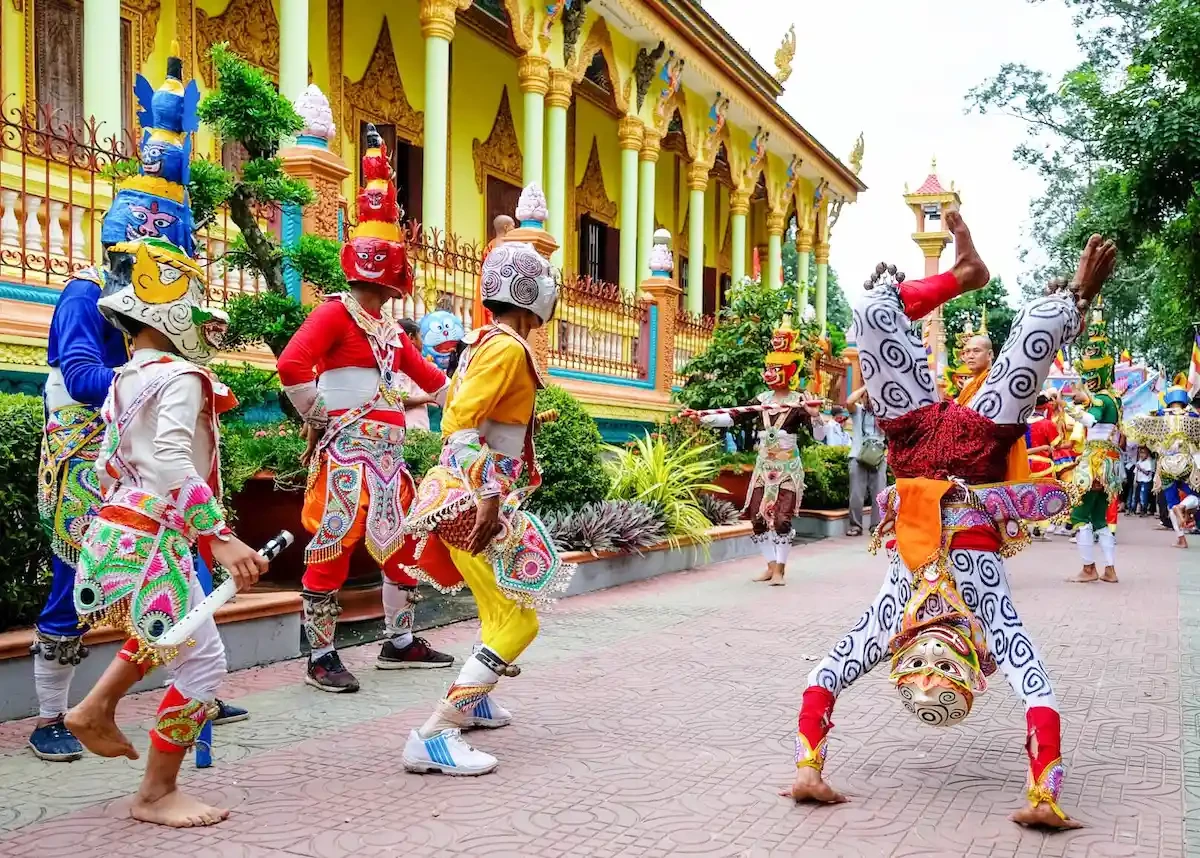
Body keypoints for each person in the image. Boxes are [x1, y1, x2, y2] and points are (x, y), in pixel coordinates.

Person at [786, 209, 1116, 831]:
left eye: (922, 661)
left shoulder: (892, 613)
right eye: (947, 664)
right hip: (981, 441)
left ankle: (965, 274)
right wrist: (1044, 795)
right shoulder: (990, 620)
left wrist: (809, 768)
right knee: (1044, 317)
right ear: (969, 657)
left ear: (904, 650)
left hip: (911, 439)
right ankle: (1066, 297)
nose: (934, 651)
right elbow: (1036, 683)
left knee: (873, 312)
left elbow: (825, 673)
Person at [402, 195, 576, 775]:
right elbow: (459, 425)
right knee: (520, 620)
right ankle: (437, 732)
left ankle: (472, 705)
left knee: (495, 611)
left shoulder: (486, 341)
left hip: (461, 494)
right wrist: (489, 497)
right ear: (534, 294)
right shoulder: (506, 347)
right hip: (472, 498)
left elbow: (484, 420)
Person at [278, 125, 455, 693]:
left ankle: (399, 642)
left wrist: (470, 396)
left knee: (402, 545)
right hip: (348, 457)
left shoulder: (387, 329)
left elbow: (430, 378)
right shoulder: (335, 315)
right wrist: (320, 416)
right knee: (332, 545)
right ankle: (321, 656)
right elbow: (290, 366)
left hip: (388, 460)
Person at [684, 308, 825, 585]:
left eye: (776, 369)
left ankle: (781, 570)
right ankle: (770, 565)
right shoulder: (761, 399)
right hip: (764, 466)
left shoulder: (800, 402)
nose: (770, 373)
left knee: (782, 520)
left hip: (787, 468)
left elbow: (819, 436)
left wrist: (815, 416)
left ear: (789, 371)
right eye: (769, 369)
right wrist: (702, 418)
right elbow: (734, 417)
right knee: (757, 518)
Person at [1064, 309, 1124, 584]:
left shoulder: (1100, 399)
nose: (1087, 380)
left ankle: (1089, 568)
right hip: (1110, 461)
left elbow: (1090, 419)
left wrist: (1067, 407)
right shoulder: (1115, 398)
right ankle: (1109, 569)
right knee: (1100, 517)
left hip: (1096, 461)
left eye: (1090, 374)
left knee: (1079, 513)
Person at [1124, 384, 1200, 545]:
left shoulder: (1158, 416)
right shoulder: (1192, 416)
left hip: (1165, 465)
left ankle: (1181, 539)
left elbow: (1138, 430)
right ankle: (1184, 506)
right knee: (1196, 495)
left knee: (1171, 502)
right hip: (1185, 463)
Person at [846, 386, 887, 537]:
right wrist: (868, 385)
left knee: (879, 494)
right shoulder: (857, 411)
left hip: (879, 458)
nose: (872, 398)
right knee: (856, 494)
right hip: (857, 455)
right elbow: (849, 400)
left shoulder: (884, 414)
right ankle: (855, 525)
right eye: (869, 395)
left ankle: (876, 526)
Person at [472, 214, 515, 328]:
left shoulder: (490, 245)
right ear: (506, 227)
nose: (514, 230)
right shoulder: (505, 246)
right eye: (513, 226)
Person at [397, 318, 436, 432]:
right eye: (421, 337)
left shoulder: (419, 363)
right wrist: (429, 398)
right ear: (411, 338)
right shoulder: (401, 365)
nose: (423, 342)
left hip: (418, 429)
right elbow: (398, 400)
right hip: (409, 430)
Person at [1133, 447, 1156, 515]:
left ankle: (1144, 510)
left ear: (1147, 454)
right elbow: (1135, 472)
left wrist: (1140, 468)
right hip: (1139, 481)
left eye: (1143, 453)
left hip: (1145, 482)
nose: (1141, 455)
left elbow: (1147, 473)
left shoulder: (1148, 462)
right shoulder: (1139, 462)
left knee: (1144, 496)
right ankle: (1136, 509)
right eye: (1140, 453)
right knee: (1137, 496)